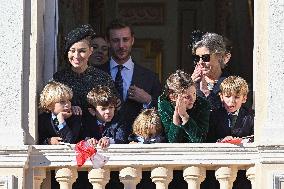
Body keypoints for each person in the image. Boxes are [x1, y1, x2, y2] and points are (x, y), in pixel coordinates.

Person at [97, 18, 161, 131]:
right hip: (104, 143)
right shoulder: (96, 74)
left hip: (140, 142)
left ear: (132, 40)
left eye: (125, 40)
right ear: (108, 42)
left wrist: (148, 100)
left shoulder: (150, 77)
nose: (121, 45)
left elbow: (164, 113)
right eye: (116, 40)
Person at [53, 24, 116, 115]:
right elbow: (50, 107)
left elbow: (114, 109)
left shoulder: (103, 78)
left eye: (82, 51)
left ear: (90, 51)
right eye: (72, 50)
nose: (76, 56)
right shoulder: (59, 78)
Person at [158, 70, 210, 143]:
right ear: (173, 97)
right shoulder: (164, 104)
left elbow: (200, 140)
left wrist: (185, 117)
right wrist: (176, 116)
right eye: (187, 97)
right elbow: (172, 141)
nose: (193, 99)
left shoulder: (203, 105)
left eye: (194, 93)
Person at [191, 32, 231, 111]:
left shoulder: (231, 82)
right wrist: (189, 86)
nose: (200, 62)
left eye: (205, 57)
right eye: (196, 58)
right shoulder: (192, 83)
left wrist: (206, 92)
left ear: (219, 56)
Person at [207, 76, 254, 143]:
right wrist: (220, 141)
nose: (231, 101)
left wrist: (243, 141)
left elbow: (255, 137)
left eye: (237, 97)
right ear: (221, 97)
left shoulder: (251, 116)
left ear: (244, 98)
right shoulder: (214, 116)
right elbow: (208, 139)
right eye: (227, 96)